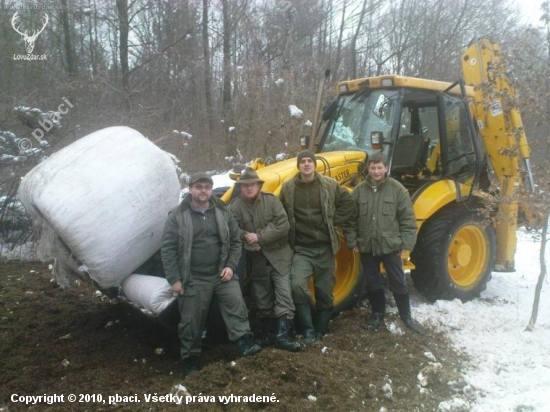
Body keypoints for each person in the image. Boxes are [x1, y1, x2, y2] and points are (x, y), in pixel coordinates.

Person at [161, 172, 261, 377]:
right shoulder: (178, 215)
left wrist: (231, 266)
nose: (203, 191)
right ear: (190, 189)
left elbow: (235, 241)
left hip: (221, 273)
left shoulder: (222, 211)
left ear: (211, 189)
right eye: (199, 187)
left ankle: (244, 345)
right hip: (193, 277)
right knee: (191, 320)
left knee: (236, 304)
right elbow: (168, 249)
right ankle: (191, 360)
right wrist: (175, 279)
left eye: (207, 187)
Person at [280, 150, 356, 343]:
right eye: (302, 161)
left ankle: (321, 328)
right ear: (298, 165)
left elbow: (348, 203)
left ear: (315, 164)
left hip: (324, 248)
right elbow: (280, 211)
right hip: (301, 249)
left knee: (324, 291)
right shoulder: (288, 187)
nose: (306, 164)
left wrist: (333, 221)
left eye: (309, 161)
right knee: (297, 286)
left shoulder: (329, 185)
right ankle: (307, 329)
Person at [348, 152, 424, 334]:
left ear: (385, 168)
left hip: (391, 246)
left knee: (398, 282)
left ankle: (406, 317)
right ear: (368, 169)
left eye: (379, 167)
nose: (376, 171)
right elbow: (351, 219)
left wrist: (406, 243)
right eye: (372, 167)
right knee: (373, 283)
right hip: (367, 246)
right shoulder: (359, 191)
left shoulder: (397, 190)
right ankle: (377, 314)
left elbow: (407, 218)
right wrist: (352, 240)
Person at [229, 167, 301, 352]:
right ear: (241, 188)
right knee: (262, 297)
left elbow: (283, 224)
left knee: (284, 293)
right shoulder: (235, 206)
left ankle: (283, 336)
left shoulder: (271, 201)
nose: (248, 188)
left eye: (252, 185)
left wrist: (260, 237)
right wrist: (251, 241)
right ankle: (269, 334)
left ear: (259, 186)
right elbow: (232, 229)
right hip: (257, 260)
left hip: (279, 256)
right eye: (245, 186)